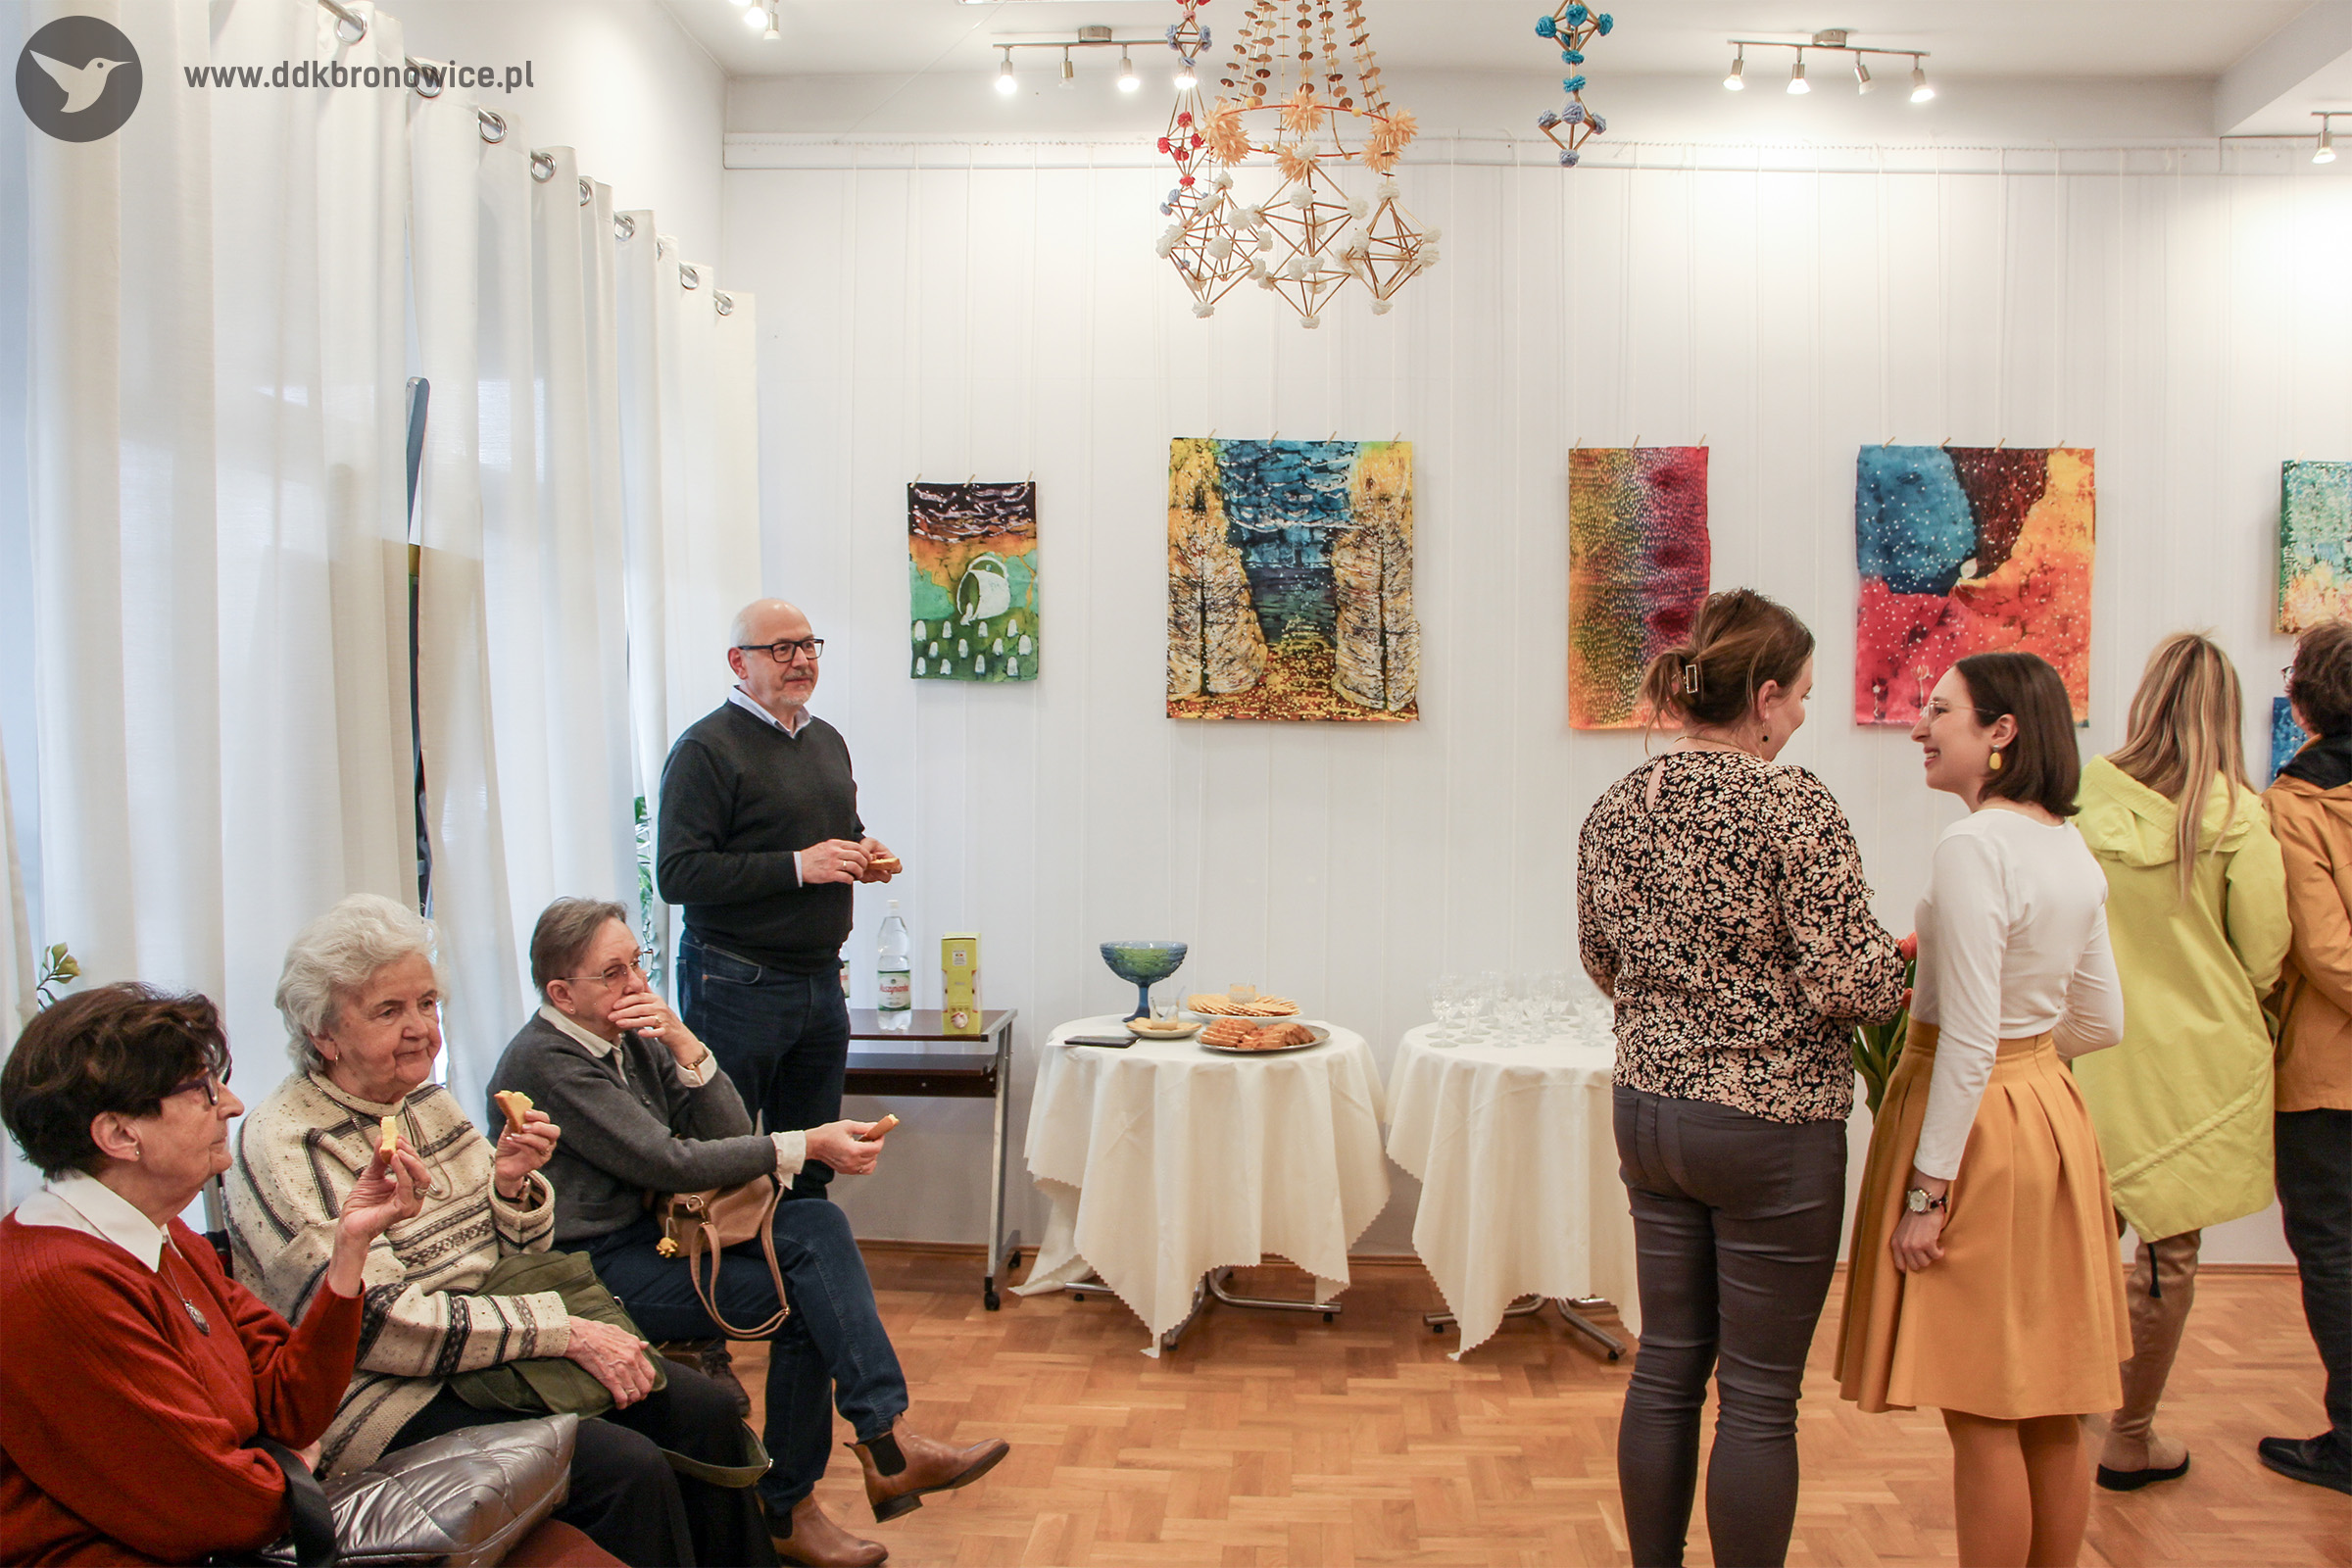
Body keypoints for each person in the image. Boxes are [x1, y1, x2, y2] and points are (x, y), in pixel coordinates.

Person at [224, 894, 773, 1567]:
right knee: (624, 1467)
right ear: (323, 1034)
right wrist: (563, 1332)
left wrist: (512, 1187)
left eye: (427, 1003)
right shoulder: (290, 1141)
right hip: (387, 1396)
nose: (420, 1029)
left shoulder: (427, 1101)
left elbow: (512, 1258)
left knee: (705, 1412)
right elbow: (374, 1325)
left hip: (494, 1351)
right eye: (389, 1011)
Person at [488, 898, 1009, 1567]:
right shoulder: (546, 1061)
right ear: (562, 993)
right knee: (811, 1292)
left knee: (816, 1228)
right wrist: (806, 1143)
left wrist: (685, 1043)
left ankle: (864, 1457)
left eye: (638, 964)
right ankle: (830, 1481)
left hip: (652, 1238)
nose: (637, 983)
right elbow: (667, 1162)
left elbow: (729, 1132)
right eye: (613, 973)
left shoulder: (630, 1036)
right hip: (587, 1269)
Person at [1577, 588, 1908, 1568]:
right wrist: (1900, 963)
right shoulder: (1791, 804)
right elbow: (1853, 985)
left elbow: (1602, 960)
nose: (1802, 714)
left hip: (1649, 1114)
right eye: (1800, 695)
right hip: (1770, 1128)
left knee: (1666, 1368)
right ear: (1763, 697)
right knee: (1760, 1396)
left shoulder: (1619, 803)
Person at [1838, 651, 2129, 1568]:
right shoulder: (2068, 845)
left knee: (1983, 1408)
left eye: (1940, 712)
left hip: (1977, 1131)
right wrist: (2030, 1063)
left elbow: (1967, 1040)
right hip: (2049, 1117)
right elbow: (2102, 1020)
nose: (1918, 730)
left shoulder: (1974, 847)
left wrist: (1928, 1196)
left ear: (2002, 731)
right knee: (2047, 1400)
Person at [0, 983, 425, 1563]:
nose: (231, 1104)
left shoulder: (162, 1234)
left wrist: (350, 1247)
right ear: (120, 1135)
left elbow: (291, 1405)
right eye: (203, 1090)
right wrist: (289, 1470)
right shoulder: (57, 1288)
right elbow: (222, 1510)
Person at [2072, 633, 2288, 1490]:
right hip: (2197, 1070)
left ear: (2146, 698)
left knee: (2079, 1244)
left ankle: (2060, 1409)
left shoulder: (2084, 799)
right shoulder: (2238, 817)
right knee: (2168, 1257)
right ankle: (2130, 1436)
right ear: (2224, 712)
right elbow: (2264, 954)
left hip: (2091, 1056)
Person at [658, 600, 901, 1206]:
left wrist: (863, 852)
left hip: (820, 980)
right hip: (737, 982)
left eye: (809, 646)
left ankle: (800, 1264)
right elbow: (678, 874)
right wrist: (799, 866)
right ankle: (732, 1270)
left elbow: (835, 833)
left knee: (814, 1159)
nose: (801, 661)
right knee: (727, 1158)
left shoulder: (827, 740)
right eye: (781, 649)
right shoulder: (705, 749)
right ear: (738, 662)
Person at [2261, 616, 2352, 1494]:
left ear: (2303, 701)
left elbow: (2323, 951)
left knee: (2333, 1251)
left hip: (2329, 1076)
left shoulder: (2296, 804)